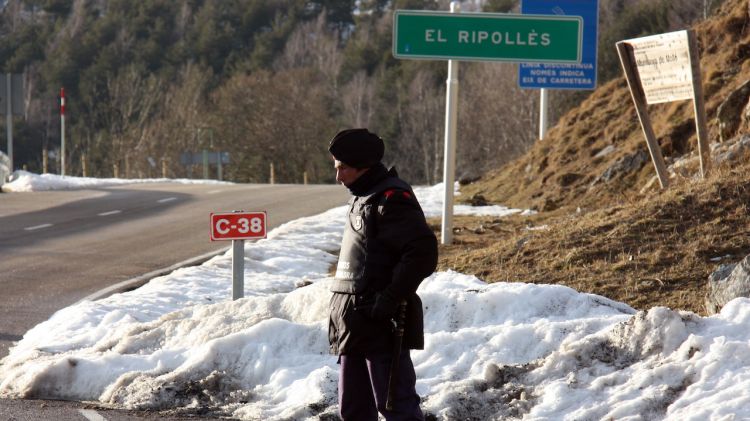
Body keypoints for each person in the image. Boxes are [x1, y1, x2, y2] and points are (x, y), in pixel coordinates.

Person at [327, 128, 438, 421]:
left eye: (343, 168)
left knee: (396, 408)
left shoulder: (392, 198)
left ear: (364, 166)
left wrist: (388, 299)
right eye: (336, 167)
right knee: (353, 411)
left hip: (380, 325)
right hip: (353, 324)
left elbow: (422, 253)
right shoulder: (363, 196)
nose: (338, 176)